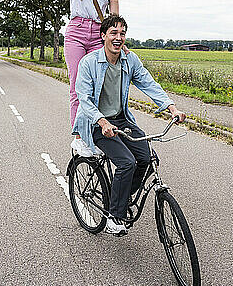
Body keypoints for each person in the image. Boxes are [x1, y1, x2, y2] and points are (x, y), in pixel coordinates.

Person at [4, 0, 120, 157]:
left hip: (99, 35)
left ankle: (95, 135)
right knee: (78, 87)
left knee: (98, 89)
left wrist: (119, 40)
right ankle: (79, 138)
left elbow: (114, 19)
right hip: (77, 33)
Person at [72, 14, 186, 235]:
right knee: (126, 163)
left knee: (147, 158)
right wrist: (102, 121)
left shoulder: (129, 59)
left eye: (122, 33)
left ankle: (121, 196)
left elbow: (148, 83)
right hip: (97, 124)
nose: (118, 37)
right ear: (103, 35)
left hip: (121, 120)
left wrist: (171, 108)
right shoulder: (89, 63)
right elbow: (83, 99)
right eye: (113, 33)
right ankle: (115, 216)